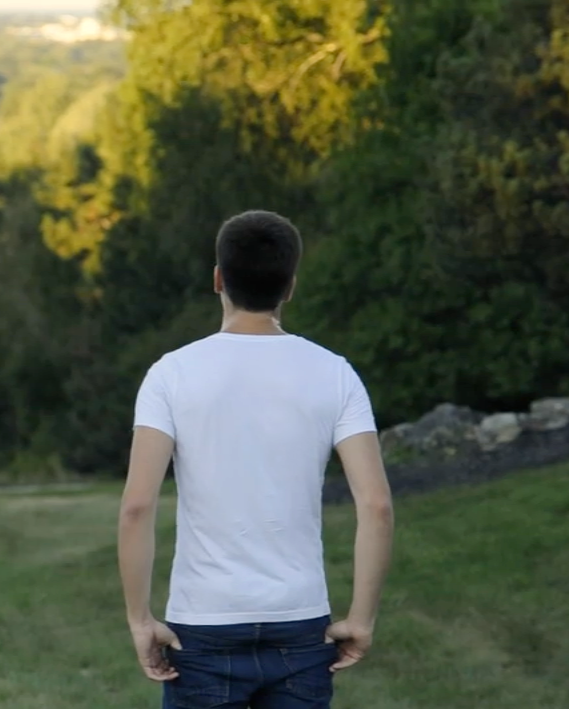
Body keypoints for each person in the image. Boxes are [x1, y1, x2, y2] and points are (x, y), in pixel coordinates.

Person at [116, 210, 395, 709]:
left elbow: (137, 506)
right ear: (290, 286)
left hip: (203, 624)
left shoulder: (171, 374)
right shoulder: (335, 373)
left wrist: (140, 620)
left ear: (218, 279)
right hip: (301, 621)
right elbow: (376, 506)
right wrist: (361, 618)